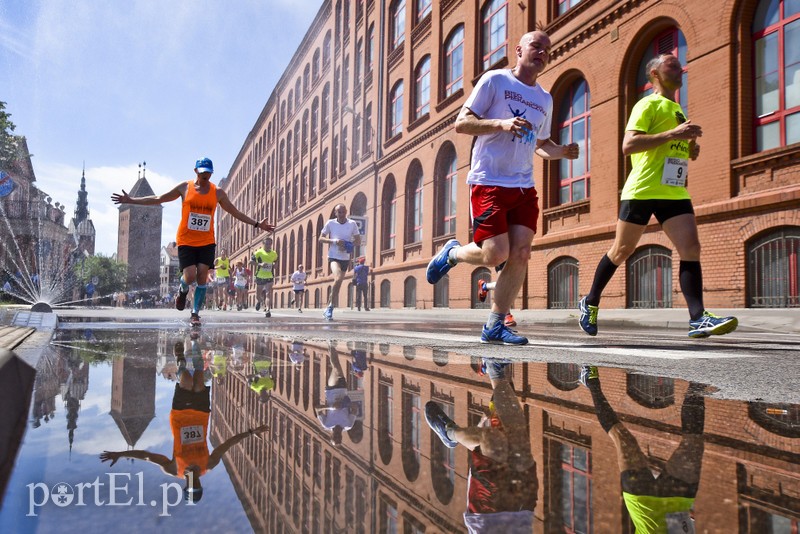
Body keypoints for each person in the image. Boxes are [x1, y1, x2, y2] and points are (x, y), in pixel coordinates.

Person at [426, 30, 579, 346]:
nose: (542, 52)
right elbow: (462, 123)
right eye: (536, 46)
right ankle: (452, 253)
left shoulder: (544, 99)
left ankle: (495, 325)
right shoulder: (495, 81)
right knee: (496, 254)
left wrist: (561, 151)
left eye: (547, 50)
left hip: (523, 185)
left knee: (521, 253)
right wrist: (501, 124)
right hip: (489, 180)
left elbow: (539, 144)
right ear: (519, 48)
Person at [578, 54, 737, 339]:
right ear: (655, 74)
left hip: (673, 190)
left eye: (679, 65)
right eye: (671, 66)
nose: (680, 68)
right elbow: (629, 145)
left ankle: (697, 318)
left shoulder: (677, 108)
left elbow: (670, 145)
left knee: (691, 248)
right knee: (621, 250)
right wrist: (674, 133)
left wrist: (688, 149)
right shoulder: (647, 104)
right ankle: (590, 301)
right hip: (643, 189)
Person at [100, 335, 269, 503]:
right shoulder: (209, 464)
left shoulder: (173, 469)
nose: (192, 482)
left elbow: (147, 456)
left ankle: (180, 360)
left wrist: (121, 453)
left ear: (185, 486)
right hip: (201, 413)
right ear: (200, 485)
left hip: (180, 415)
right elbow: (227, 445)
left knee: (186, 379)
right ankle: (193, 351)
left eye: (190, 486)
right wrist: (250, 432)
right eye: (196, 485)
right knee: (198, 377)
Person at [111, 158, 274, 327]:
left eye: (208, 173)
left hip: (207, 241)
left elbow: (235, 212)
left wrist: (257, 224)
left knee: (202, 276)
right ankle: (182, 291)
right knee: (189, 277)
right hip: (187, 240)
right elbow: (160, 198)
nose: (205, 176)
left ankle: (195, 313)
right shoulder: (185, 188)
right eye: (202, 172)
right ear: (196, 171)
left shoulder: (217, 193)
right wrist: (131, 200)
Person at [579, 366, 705, 534]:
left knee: (623, 438)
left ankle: (591, 380)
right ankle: (698, 379)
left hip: (643, 505)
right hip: (677, 505)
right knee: (693, 443)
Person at [426, 358, 537, 532]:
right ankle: (497, 367)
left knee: (493, 440)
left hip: (488, 521)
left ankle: (450, 433)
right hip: (521, 514)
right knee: (512, 430)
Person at [319, 204, 361, 321]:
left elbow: (358, 241)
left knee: (338, 285)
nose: (341, 214)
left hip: (345, 258)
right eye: (339, 212)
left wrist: (349, 244)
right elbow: (320, 238)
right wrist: (334, 241)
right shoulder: (331, 223)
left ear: (346, 212)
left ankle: (328, 306)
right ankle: (331, 308)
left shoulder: (352, 224)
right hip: (333, 257)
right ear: (335, 213)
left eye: (343, 212)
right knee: (337, 278)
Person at [315, 342, 358, 445]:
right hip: (343, 389)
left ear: (331, 435)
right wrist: (344, 405)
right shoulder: (348, 425)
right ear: (342, 437)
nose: (338, 435)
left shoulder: (327, 424)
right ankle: (330, 345)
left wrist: (331, 407)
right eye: (339, 437)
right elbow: (355, 408)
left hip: (331, 391)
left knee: (336, 368)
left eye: (335, 437)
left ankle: (331, 344)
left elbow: (317, 409)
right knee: (336, 364)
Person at [253, 236, 278, 317]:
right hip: (260, 276)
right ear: (263, 244)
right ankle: (259, 301)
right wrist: (260, 264)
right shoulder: (258, 252)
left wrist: (275, 265)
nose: (268, 245)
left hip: (269, 276)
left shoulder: (274, 253)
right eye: (266, 243)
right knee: (258, 294)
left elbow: (276, 262)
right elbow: (251, 262)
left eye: (269, 244)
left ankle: (268, 310)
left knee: (268, 293)